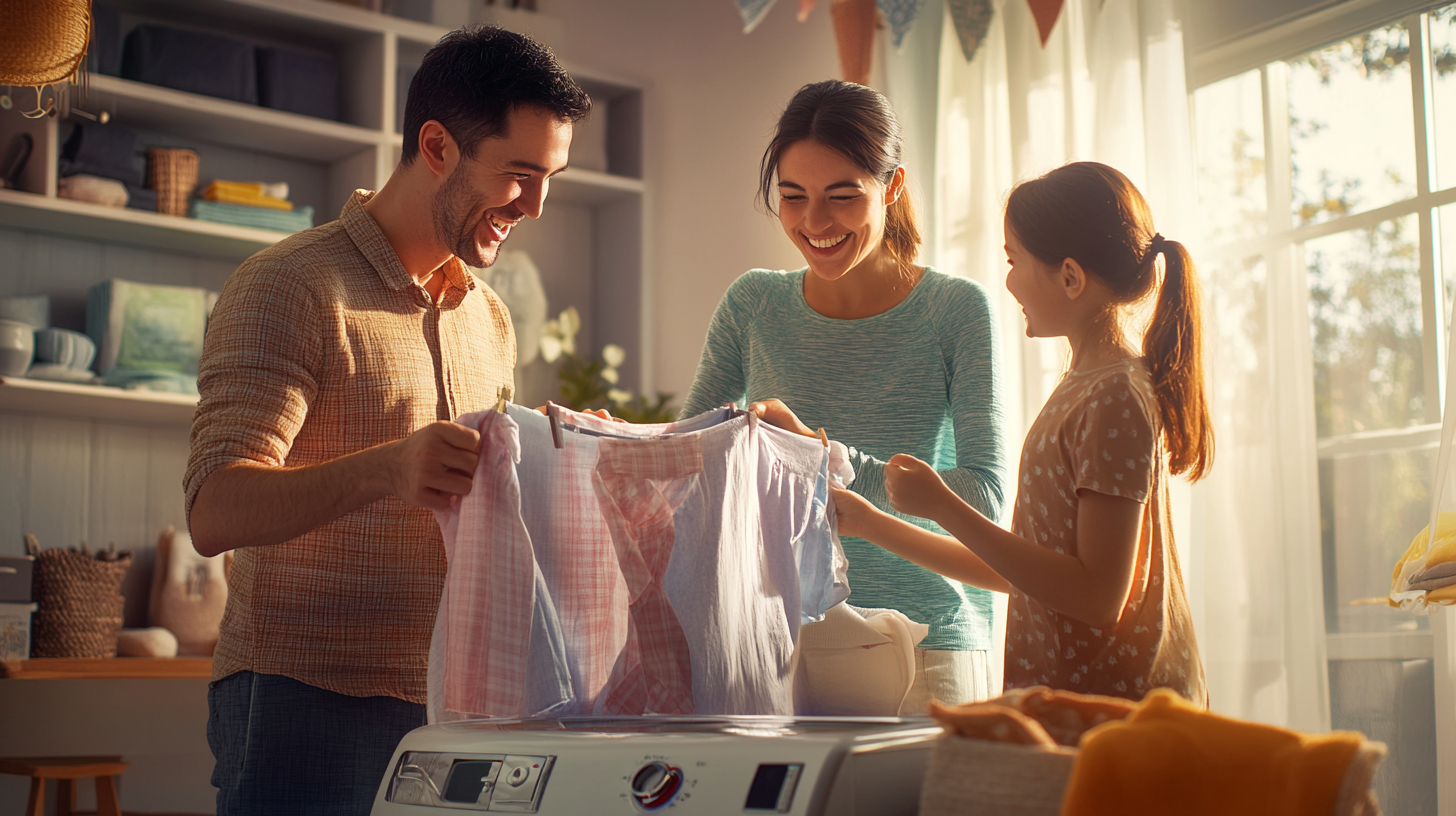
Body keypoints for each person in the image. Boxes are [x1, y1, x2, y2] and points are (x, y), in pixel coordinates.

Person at [184, 26, 590, 816]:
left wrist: (565, 456)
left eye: (552, 178)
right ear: (436, 145)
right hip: (303, 701)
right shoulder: (289, 286)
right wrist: (385, 469)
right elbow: (213, 509)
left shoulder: (491, 318)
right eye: (518, 175)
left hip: (458, 700)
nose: (536, 207)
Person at [681, 80, 1009, 712]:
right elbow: (692, 467)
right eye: (793, 198)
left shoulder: (955, 309)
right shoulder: (753, 303)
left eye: (842, 196)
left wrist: (832, 461)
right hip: (782, 639)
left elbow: (985, 498)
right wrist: (625, 441)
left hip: (932, 647)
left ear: (893, 186)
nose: (814, 223)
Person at [832, 161, 1210, 705]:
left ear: (1071, 277)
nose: (1008, 281)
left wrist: (943, 504)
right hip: (1077, 708)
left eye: (1014, 261)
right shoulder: (1084, 385)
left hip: (1116, 719)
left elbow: (1099, 597)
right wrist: (871, 523)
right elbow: (1026, 571)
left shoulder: (1114, 395)